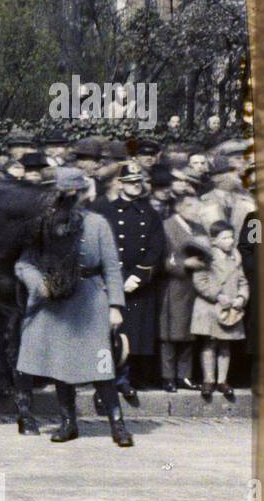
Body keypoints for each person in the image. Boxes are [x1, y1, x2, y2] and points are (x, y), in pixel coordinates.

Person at [14, 167, 133, 448]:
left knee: (102, 365)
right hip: (54, 301)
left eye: (72, 192)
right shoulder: (42, 225)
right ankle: (68, 422)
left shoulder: (97, 224)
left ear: (81, 193)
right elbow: (24, 263)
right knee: (60, 364)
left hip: (90, 300)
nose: (68, 197)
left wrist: (115, 305)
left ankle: (118, 424)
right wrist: (38, 284)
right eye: (61, 192)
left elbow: (111, 268)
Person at [91, 161, 164, 401]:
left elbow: (156, 248)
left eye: (138, 183)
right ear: (120, 184)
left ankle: (123, 380)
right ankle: (103, 386)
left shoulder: (149, 213)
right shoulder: (104, 210)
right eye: (130, 182)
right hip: (108, 283)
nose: (135, 187)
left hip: (134, 284)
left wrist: (138, 276)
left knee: (128, 336)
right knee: (105, 336)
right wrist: (110, 279)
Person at [190, 220, 248, 403]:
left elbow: (242, 281)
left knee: (225, 344)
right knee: (209, 343)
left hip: (229, 308)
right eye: (225, 238)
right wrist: (217, 295)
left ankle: (223, 381)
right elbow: (200, 281)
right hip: (210, 307)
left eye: (232, 237)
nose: (230, 241)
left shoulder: (235, 258)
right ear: (214, 240)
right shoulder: (206, 257)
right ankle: (208, 379)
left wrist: (241, 297)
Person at [158, 193, 208, 392]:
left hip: (193, 287)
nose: (195, 211)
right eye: (190, 206)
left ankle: (184, 376)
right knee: (169, 335)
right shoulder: (166, 227)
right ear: (179, 207)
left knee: (189, 334)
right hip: (173, 286)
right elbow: (159, 259)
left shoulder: (197, 228)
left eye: (197, 207)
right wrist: (183, 264)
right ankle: (167, 376)